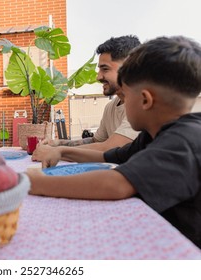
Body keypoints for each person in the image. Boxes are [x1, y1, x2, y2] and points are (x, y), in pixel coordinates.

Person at [26, 36, 201, 248]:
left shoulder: (183, 141)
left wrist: (34, 182)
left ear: (145, 100)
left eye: (125, 96)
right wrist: (61, 152)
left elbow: (116, 184)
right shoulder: (153, 135)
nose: (122, 103)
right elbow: (107, 155)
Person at [34, 36, 140, 163]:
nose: (98, 76)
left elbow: (109, 148)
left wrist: (56, 153)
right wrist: (56, 143)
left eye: (105, 69)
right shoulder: (111, 107)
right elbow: (96, 142)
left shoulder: (141, 106)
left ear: (129, 67)